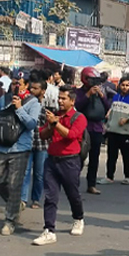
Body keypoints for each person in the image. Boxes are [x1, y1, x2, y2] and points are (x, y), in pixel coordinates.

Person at [0, 70, 43, 236]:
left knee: (14, 184)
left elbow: (32, 124)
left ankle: (10, 220)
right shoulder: (4, 99)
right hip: (1, 147)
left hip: (20, 149)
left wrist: (19, 109)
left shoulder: (33, 102)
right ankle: (15, 203)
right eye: (13, 83)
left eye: (19, 83)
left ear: (26, 85)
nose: (15, 86)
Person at [33, 86, 88, 246]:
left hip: (70, 161)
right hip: (52, 160)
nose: (60, 101)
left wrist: (56, 123)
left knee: (73, 193)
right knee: (50, 196)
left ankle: (78, 218)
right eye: (59, 98)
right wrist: (51, 125)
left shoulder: (79, 118)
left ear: (72, 101)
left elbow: (71, 135)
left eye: (64, 98)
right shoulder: (54, 116)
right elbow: (42, 135)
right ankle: (49, 230)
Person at [75, 67, 110, 195]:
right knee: (79, 157)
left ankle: (91, 184)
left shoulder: (100, 93)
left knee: (94, 158)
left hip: (97, 129)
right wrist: (88, 94)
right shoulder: (79, 92)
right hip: (83, 129)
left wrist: (102, 96)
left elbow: (108, 107)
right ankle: (73, 183)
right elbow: (77, 105)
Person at [22, 71, 51, 209]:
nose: (32, 90)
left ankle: (35, 199)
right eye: (31, 88)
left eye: (36, 88)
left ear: (43, 90)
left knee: (39, 174)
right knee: (25, 172)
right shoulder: (26, 102)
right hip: (27, 142)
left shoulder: (48, 104)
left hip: (42, 144)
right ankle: (23, 198)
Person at [101, 76, 129, 185]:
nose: (125, 87)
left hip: (125, 132)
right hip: (112, 130)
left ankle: (127, 176)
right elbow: (111, 112)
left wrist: (127, 119)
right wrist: (107, 125)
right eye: (123, 85)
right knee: (111, 156)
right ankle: (109, 176)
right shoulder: (116, 97)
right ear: (119, 85)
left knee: (126, 156)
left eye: (127, 85)